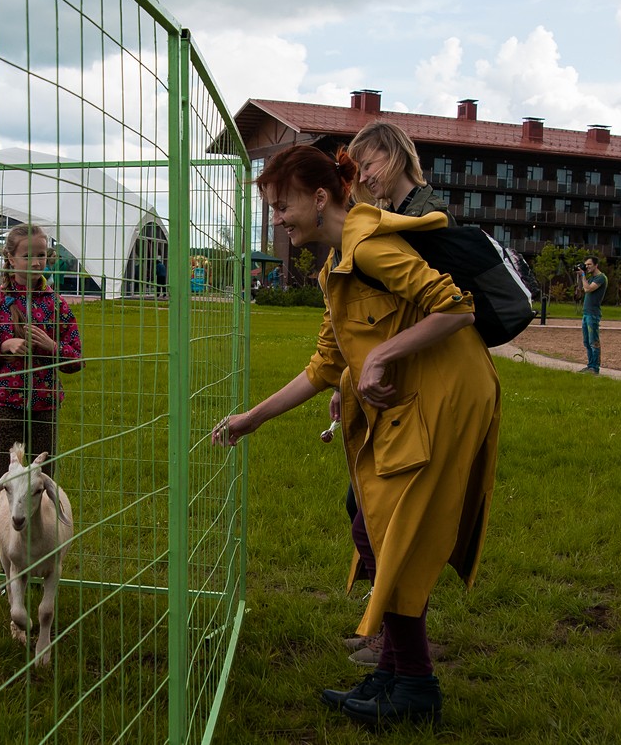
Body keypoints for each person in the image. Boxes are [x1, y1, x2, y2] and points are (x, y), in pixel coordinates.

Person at [212, 145, 500, 729]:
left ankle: (414, 686)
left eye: (282, 205)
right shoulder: (335, 268)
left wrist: (379, 360)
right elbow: (324, 364)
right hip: (413, 399)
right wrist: (254, 419)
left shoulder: (369, 245)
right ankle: (396, 675)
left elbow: (455, 308)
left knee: (395, 532)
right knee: (373, 525)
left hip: (447, 397)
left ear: (320, 198)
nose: (277, 219)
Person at [341, 119, 460, 666]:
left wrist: (382, 359)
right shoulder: (401, 216)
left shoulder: (422, 218)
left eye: (368, 165)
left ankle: (401, 641)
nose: (364, 178)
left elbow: (439, 308)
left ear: (392, 157)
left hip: (426, 382)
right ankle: (389, 631)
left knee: (391, 518)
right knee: (364, 507)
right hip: (401, 379)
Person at [0, 224, 83, 481]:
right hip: (5, 404)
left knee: (43, 478)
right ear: (10, 258)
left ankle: (45, 521)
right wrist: (3, 348)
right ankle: (6, 521)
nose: (36, 263)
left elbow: (76, 360)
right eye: (27, 256)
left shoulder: (57, 305)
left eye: (41, 255)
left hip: (45, 404)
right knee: (8, 478)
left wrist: (52, 347)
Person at [348, 120, 456, 227]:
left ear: (394, 155)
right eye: (359, 172)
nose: (362, 179)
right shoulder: (386, 218)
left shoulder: (434, 217)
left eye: (367, 166)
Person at [576, 256, 607, 374]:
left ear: (596, 265)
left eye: (589, 265)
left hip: (593, 314)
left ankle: (595, 368)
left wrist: (583, 275)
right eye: (586, 265)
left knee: (594, 341)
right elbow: (581, 290)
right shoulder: (590, 278)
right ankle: (590, 365)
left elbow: (588, 289)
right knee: (587, 342)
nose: (587, 267)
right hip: (586, 313)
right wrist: (579, 276)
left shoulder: (601, 278)